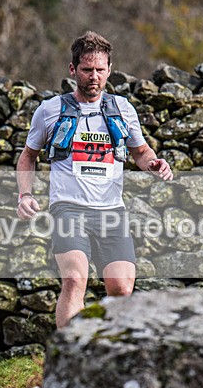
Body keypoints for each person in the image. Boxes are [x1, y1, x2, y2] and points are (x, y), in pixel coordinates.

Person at [16, 31, 173, 329]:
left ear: (110, 70)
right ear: (73, 69)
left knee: (122, 289)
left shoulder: (123, 109)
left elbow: (140, 152)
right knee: (75, 280)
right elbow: (27, 156)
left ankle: (111, 354)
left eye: (100, 70)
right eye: (87, 70)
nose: (94, 77)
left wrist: (154, 164)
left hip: (111, 211)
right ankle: (71, 358)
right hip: (69, 209)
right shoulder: (50, 110)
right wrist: (24, 195)